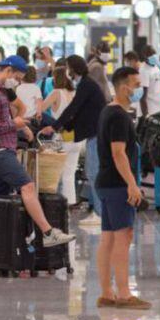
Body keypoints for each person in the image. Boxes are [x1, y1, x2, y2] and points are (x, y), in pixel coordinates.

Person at [0, 55, 75, 247]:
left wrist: (19, 125)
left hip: (2, 149)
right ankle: (47, 232)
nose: (18, 81)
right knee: (27, 186)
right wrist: (15, 123)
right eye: (18, 76)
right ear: (9, 71)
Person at [94, 67, 150, 309]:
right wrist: (132, 184)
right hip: (117, 184)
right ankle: (124, 294)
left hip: (105, 182)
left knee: (108, 238)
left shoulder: (108, 111)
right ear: (123, 86)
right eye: (136, 84)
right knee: (122, 237)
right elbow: (119, 153)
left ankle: (107, 293)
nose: (139, 89)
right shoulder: (119, 116)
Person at [47, 56, 107, 218]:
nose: (66, 71)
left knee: (94, 173)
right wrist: (64, 127)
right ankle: (99, 213)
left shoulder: (86, 85)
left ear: (74, 68)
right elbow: (78, 112)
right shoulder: (84, 84)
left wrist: (55, 126)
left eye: (68, 67)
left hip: (96, 133)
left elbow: (73, 108)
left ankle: (100, 214)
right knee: (92, 172)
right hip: (93, 133)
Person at [37, 66, 82, 205]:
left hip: (61, 137)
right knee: (69, 174)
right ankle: (69, 204)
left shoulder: (56, 93)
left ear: (56, 78)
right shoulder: (75, 93)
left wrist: (37, 101)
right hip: (76, 137)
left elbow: (40, 109)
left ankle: (57, 205)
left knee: (55, 173)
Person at [140, 46, 160, 116]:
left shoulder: (156, 67)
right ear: (145, 57)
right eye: (150, 56)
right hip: (152, 110)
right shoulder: (144, 71)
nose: (153, 58)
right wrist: (146, 115)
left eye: (154, 55)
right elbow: (142, 97)